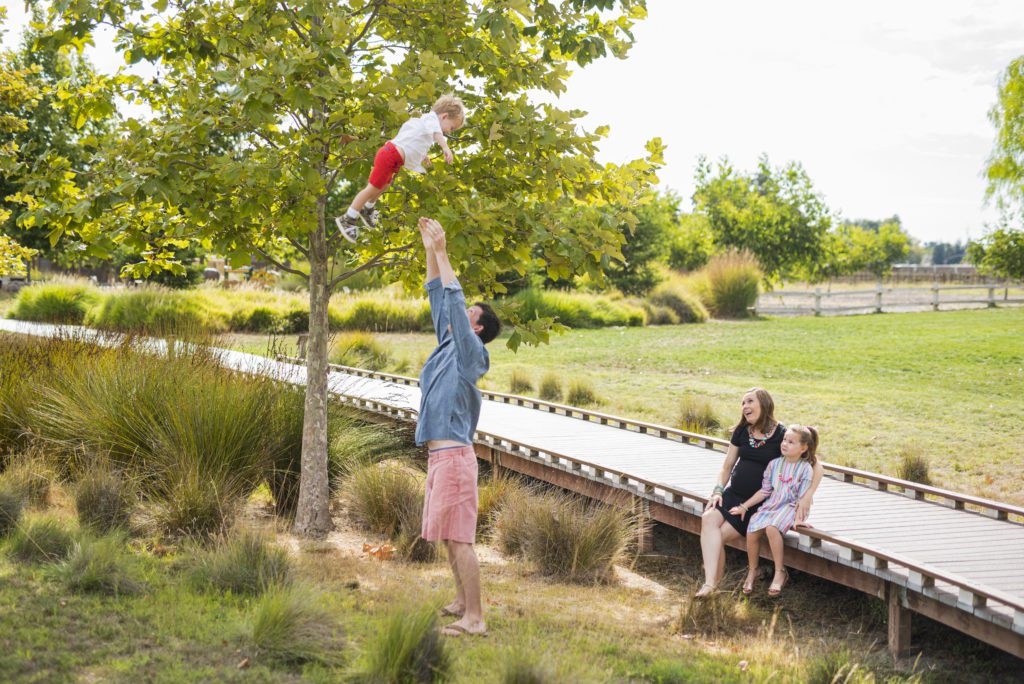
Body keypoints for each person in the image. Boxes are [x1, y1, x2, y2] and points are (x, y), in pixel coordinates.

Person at [414, 216, 501, 637]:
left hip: (454, 458)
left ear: (477, 327)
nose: (461, 312)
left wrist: (445, 251)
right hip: (440, 456)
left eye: (470, 313)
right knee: (450, 536)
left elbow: (452, 295)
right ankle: (461, 601)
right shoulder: (450, 342)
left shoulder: (471, 354)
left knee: (460, 539)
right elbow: (438, 296)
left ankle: (476, 619)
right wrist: (430, 251)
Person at [695, 388, 824, 598]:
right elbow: (727, 465)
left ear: (764, 404)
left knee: (717, 537)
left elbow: (816, 465)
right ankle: (710, 585)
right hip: (732, 495)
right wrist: (717, 490)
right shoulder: (741, 431)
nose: (745, 406)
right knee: (708, 518)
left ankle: (711, 587)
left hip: (756, 504)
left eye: (749, 401)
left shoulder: (781, 434)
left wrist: (808, 495)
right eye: (742, 403)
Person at [336, 96, 466, 242]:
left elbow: (413, 140)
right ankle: (348, 218)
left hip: (394, 160)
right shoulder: (431, 119)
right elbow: (437, 134)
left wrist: (424, 156)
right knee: (372, 189)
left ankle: (368, 208)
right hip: (389, 156)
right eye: (452, 127)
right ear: (444, 116)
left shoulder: (426, 125)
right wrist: (445, 147)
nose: (449, 131)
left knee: (385, 185)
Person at [732, 425, 819, 597]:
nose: (785, 444)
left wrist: (798, 520)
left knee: (772, 528)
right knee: (752, 528)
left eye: (791, 442)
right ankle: (753, 570)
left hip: (791, 506)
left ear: (803, 448)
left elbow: (803, 498)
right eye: (784, 440)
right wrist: (745, 506)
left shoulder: (805, 469)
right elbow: (765, 491)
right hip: (772, 504)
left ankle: (780, 572)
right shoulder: (774, 464)